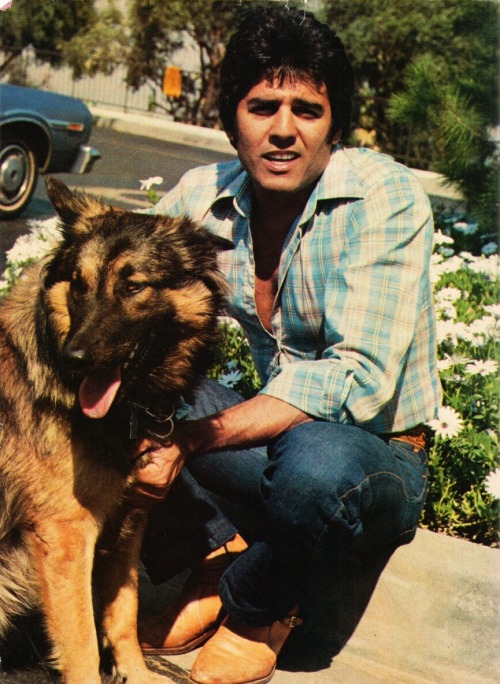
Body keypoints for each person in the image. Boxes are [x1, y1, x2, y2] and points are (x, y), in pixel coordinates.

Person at [131, 6, 442, 684]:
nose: (282, 131)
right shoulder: (202, 197)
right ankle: (216, 557)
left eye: (307, 109)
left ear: (335, 124)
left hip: (373, 454)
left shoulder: (379, 196)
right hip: (277, 431)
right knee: (119, 398)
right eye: (262, 105)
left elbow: (358, 381)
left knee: (315, 470)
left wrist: (191, 439)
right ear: (231, 119)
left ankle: (255, 606)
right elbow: (122, 284)